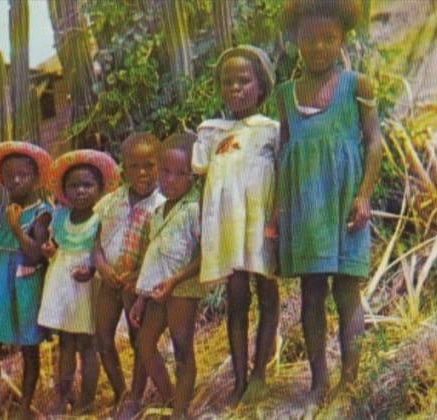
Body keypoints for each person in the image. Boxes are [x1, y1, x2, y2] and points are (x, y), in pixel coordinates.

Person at [276, 0, 383, 404]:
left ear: (341, 39)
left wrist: (364, 195)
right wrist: (277, 210)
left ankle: (349, 381)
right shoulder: (286, 94)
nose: (319, 47)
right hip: (306, 211)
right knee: (312, 291)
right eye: (309, 39)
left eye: (328, 38)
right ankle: (319, 382)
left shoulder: (357, 84)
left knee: (347, 291)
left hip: (345, 205)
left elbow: (374, 142)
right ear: (295, 42)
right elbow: (283, 150)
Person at [191, 45, 281, 404]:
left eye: (244, 81)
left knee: (267, 290)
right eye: (228, 82)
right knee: (237, 296)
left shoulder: (272, 130)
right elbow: (200, 177)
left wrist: (279, 221)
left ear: (261, 87)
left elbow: (282, 176)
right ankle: (240, 381)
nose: (235, 88)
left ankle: (261, 373)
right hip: (229, 230)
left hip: (260, 225)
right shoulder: (213, 132)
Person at [0, 141, 54, 419]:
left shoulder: (42, 213)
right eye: (10, 176)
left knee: (29, 347)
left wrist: (18, 228)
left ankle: (24, 405)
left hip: (25, 285)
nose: (16, 180)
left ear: (35, 177)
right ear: (2, 180)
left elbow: (34, 255)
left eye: (23, 175)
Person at [38, 149, 121, 415]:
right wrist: (50, 249)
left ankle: (87, 400)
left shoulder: (101, 218)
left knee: (88, 345)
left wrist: (94, 270)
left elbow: (105, 251)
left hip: (87, 289)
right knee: (65, 343)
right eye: (73, 185)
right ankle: (63, 395)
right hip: (62, 286)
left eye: (87, 185)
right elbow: (55, 244)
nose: (81, 191)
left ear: (99, 188)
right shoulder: (60, 217)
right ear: (64, 190)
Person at [129, 133, 204, 419]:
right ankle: (172, 398)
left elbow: (203, 255)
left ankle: (181, 412)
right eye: (166, 172)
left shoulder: (194, 209)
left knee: (182, 347)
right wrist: (141, 297)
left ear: (193, 177)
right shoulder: (158, 212)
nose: (170, 180)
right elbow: (153, 256)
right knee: (144, 342)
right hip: (157, 289)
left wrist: (175, 280)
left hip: (182, 287)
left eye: (180, 174)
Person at [91, 133, 165, 415]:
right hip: (109, 280)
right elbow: (95, 242)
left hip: (138, 284)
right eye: (134, 166)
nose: (142, 173)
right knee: (103, 337)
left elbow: (160, 249)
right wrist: (102, 266)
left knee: (138, 340)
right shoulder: (111, 201)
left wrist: (137, 276)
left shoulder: (161, 204)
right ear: (123, 168)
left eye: (150, 165)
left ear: (160, 165)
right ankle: (120, 392)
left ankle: (135, 396)